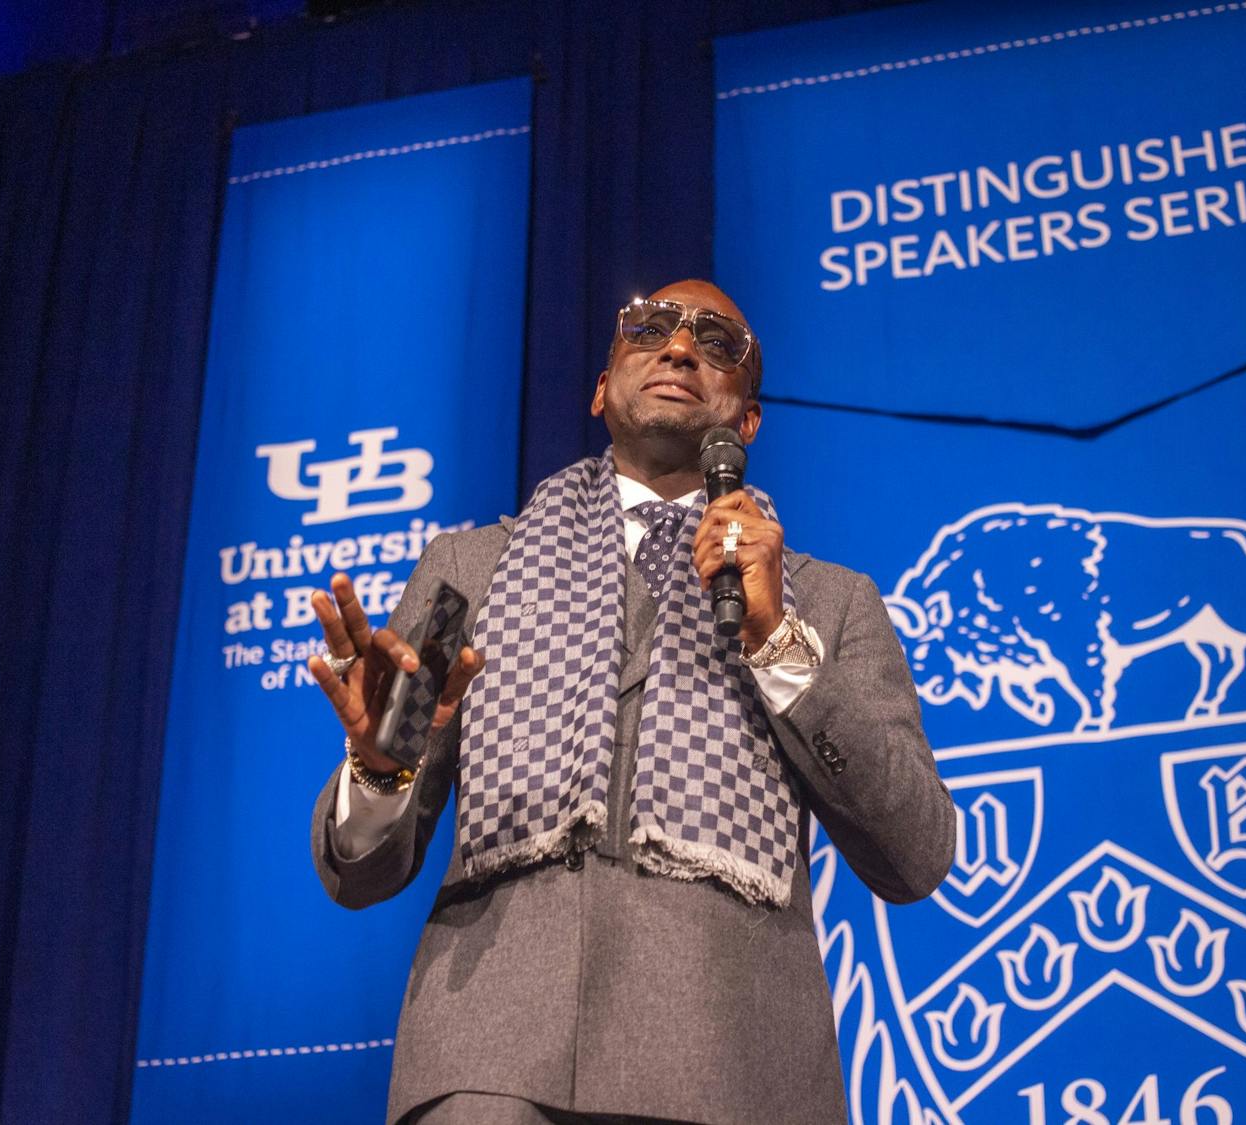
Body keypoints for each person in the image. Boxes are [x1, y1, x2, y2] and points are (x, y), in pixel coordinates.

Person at [307, 280, 955, 1125]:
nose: (680, 348)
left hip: (734, 1067)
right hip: (492, 1058)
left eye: (718, 344)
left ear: (748, 421)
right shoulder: (470, 571)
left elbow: (916, 853)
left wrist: (779, 645)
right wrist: (381, 767)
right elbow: (361, 875)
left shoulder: (827, 604)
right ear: (600, 387)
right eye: (649, 328)